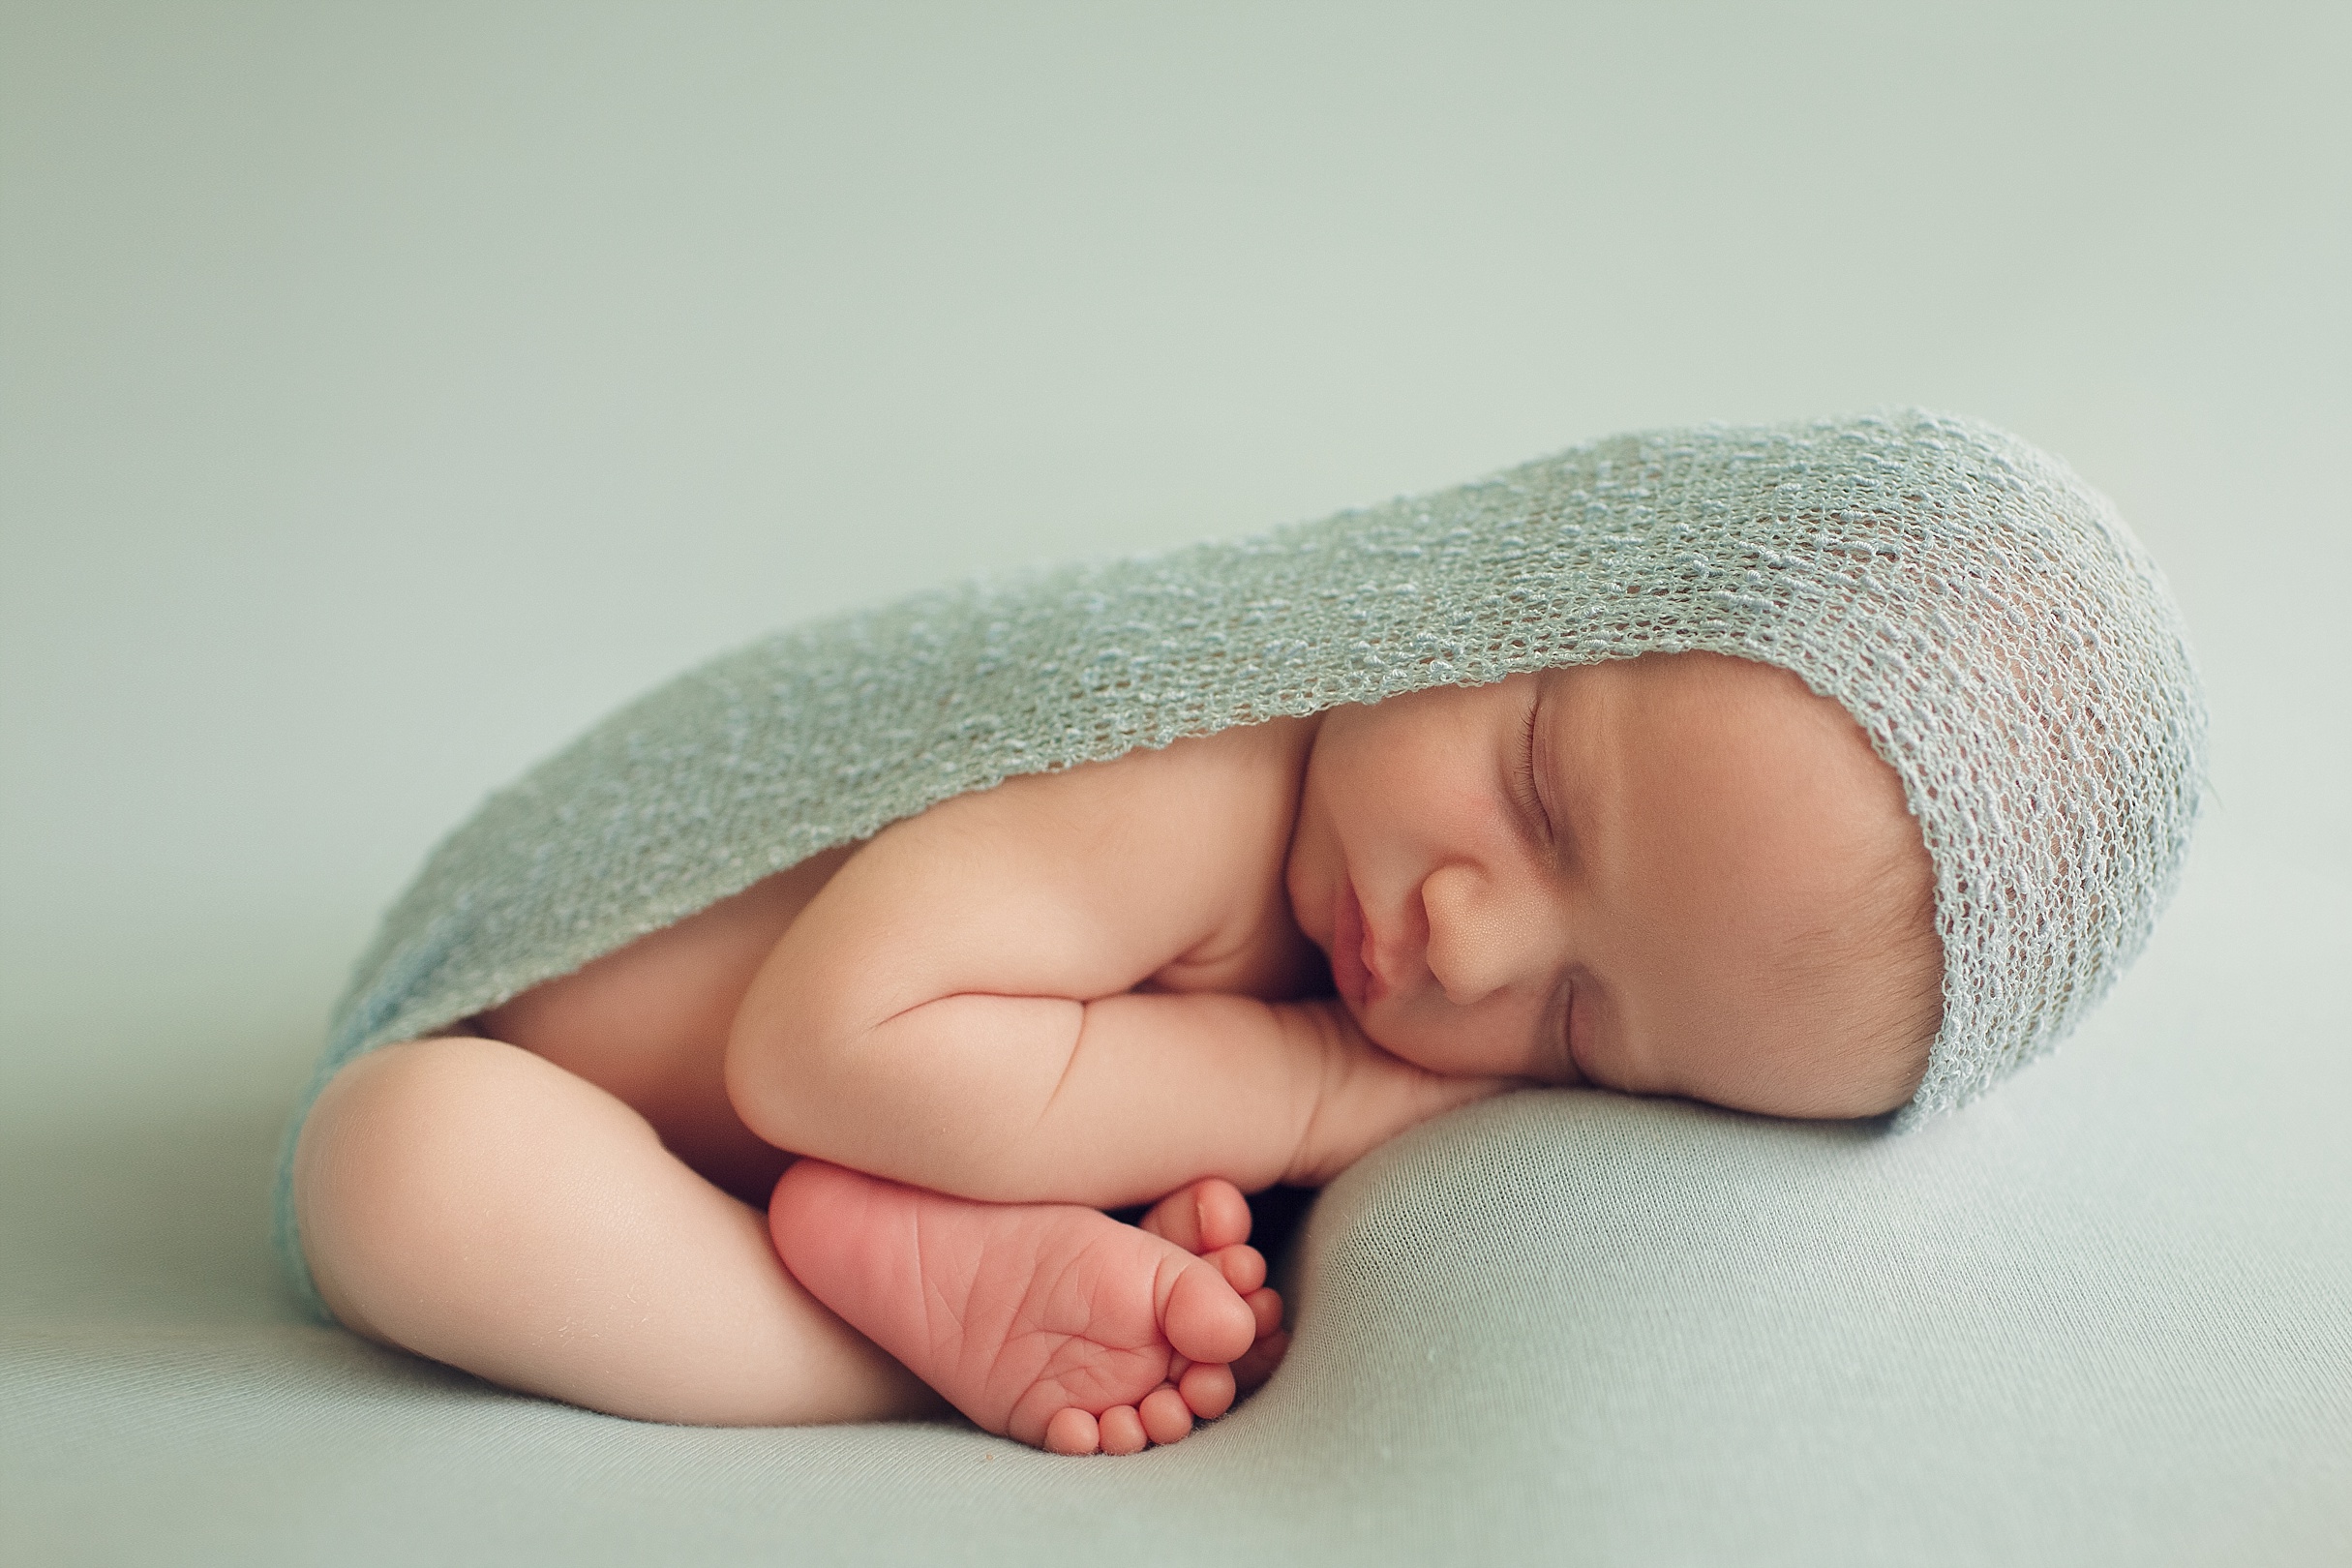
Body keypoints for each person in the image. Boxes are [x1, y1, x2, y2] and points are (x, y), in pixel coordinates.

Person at [290, 648, 1939, 1456]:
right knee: (390, 1149)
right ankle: (894, 1348)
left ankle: (920, 1287)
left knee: (420, 1169)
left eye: (1578, 1019)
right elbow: (821, 1052)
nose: (1469, 938)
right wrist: (1305, 1087)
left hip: (671, 1189)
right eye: (1537, 792)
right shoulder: (1202, 773)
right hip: (557, 1040)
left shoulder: (1376, 931)